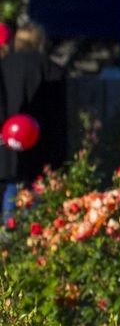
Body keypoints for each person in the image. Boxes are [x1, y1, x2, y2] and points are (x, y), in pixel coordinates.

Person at [1, 22, 65, 221]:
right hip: (43, 148)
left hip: (6, 148)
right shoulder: (52, 69)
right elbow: (58, 117)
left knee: (11, 191)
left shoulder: (4, 66)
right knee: (39, 206)